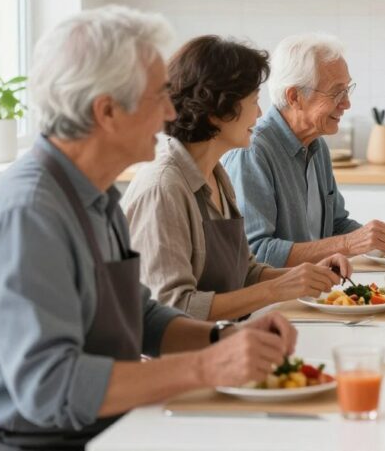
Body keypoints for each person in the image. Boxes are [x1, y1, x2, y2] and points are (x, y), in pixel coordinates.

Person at [0, 6, 298, 450]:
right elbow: (49, 388)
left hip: (113, 429)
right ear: (108, 111)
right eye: (159, 96)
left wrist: (224, 338)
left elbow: (143, 318)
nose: (172, 110)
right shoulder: (31, 212)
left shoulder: (96, 195)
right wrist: (206, 367)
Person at [123, 36, 352, 321]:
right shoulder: (163, 188)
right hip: (180, 359)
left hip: (223, 343)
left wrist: (304, 275)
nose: (259, 113)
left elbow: (246, 272)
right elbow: (174, 309)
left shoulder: (217, 176)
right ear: (218, 110)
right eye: (254, 101)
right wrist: (278, 289)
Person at [223, 33, 385, 268]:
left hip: (313, 292)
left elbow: (335, 226)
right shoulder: (251, 153)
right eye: (336, 92)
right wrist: (350, 243)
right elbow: (256, 253)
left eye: (347, 90)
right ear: (295, 97)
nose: (347, 103)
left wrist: (379, 237)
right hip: (273, 301)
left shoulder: (316, 144)